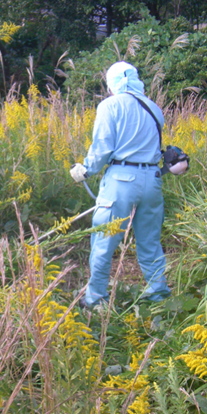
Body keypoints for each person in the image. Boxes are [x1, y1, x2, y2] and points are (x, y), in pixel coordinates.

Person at [70, 61, 170, 308]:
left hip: (121, 181)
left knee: (104, 241)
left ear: (112, 83)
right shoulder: (154, 108)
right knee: (149, 241)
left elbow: (102, 147)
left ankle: (96, 299)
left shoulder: (109, 106)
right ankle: (159, 296)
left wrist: (85, 169)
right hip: (152, 180)